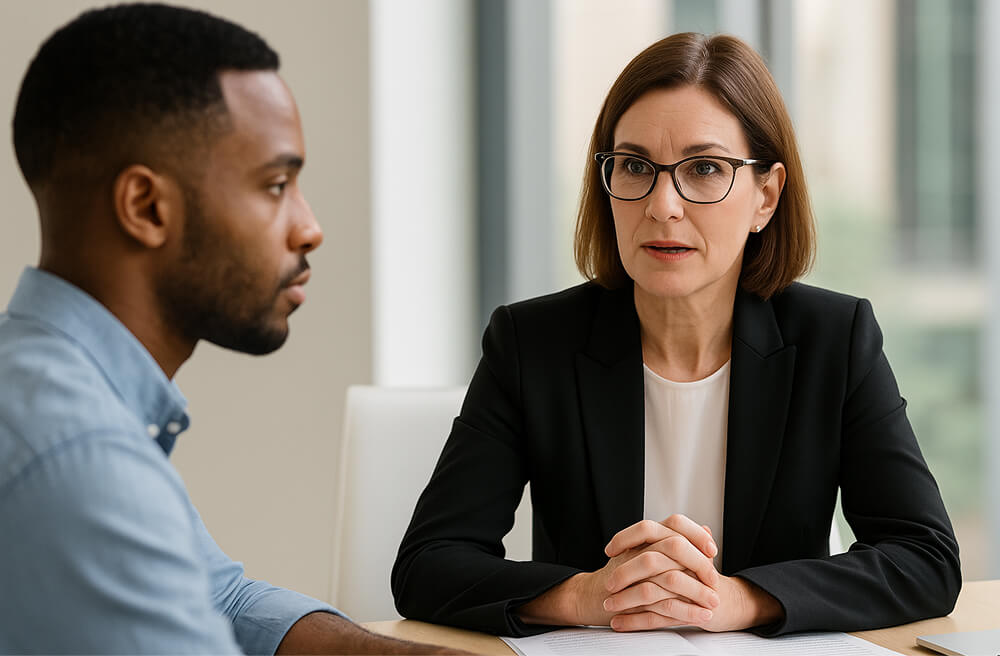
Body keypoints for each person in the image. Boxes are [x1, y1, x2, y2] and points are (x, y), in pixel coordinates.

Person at [392, 32, 962, 638]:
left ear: (765, 196)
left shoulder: (835, 340)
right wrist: (585, 596)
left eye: (705, 168)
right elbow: (428, 565)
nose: (663, 205)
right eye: (635, 166)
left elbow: (925, 559)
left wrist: (738, 600)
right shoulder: (532, 344)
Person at [0, 5, 457, 654]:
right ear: (147, 207)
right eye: (275, 185)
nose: (309, 227)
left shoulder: (51, 384)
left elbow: (223, 598)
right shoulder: (80, 458)